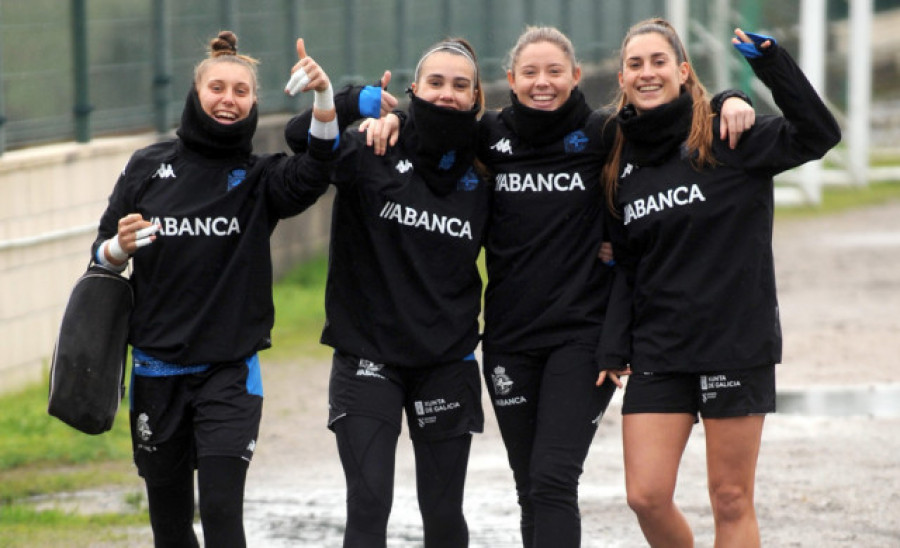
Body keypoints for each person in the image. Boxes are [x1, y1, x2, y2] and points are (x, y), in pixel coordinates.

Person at [362, 26, 755, 548]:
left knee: (552, 481)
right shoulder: (489, 136)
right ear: (510, 81)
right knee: (530, 488)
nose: (541, 83)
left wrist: (730, 97)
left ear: (575, 76)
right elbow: (438, 125)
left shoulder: (604, 134)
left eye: (554, 72)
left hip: (581, 340)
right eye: (529, 73)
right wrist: (388, 115)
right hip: (508, 341)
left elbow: (670, 119)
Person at [596, 20, 841, 547]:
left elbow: (821, 134)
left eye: (659, 61)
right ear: (621, 77)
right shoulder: (618, 155)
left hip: (734, 344)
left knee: (730, 498)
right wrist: (614, 345)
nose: (647, 72)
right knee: (646, 496)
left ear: (683, 71)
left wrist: (768, 67)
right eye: (635, 64)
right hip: (660, 348)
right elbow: (627, 266)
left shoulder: (730, 134)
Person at [91, 31, 339, 547]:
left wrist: (323, 98)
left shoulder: (258, 178)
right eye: (218, 88)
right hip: (156, 374)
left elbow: (316, 171)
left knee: (224, 516)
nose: (229, 100)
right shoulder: (146, 167)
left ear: (254, 102)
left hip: (229, 374)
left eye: (242, 92)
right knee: (171, 527)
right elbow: (99, 255)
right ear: (196, 93)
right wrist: (119, 248)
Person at [285, 38, 490, 548]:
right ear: (413, 89)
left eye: (460, 85)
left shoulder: (488, 164)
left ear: (475, 98)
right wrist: (350, 100)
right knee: (370, 503)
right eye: (436, 83)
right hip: (367, 357)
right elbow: (300, 139)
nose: (447, 94)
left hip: (446, 359)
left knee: (443, 514)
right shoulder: (373, 145)